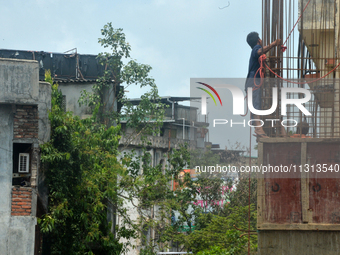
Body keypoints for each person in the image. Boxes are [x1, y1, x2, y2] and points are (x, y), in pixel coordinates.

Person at [246, 32, 281, 138]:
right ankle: (258, 129)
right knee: (256, 104)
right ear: (258, 40)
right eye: (260, 39)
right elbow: (260, 51)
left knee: (258, 104)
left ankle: (259, 128)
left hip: (253, 81)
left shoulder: (254, 50)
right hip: (254, 81)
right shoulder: (256, 49)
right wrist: (274, 44)